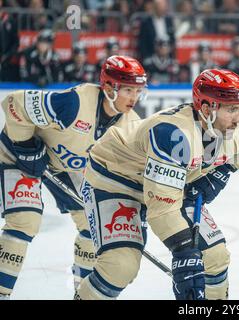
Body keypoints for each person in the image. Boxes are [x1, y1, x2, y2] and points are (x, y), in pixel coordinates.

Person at [75, 69, 239, 300]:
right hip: (116, 182)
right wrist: (184, 252)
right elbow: (163, 209)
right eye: (230, 109)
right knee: (119, 266)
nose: (238, 118)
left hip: (171, 185)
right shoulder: (173, 134)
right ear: (207, 109)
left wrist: (222, 173)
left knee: (215, 257)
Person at [0, 55, 147, 299]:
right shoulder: (75, 102)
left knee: (93, 226)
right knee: (25, 219)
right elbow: (14, 103)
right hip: (18, 153)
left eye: (138, 91)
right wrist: (25, 146)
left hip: (66, 167)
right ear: (109, 87)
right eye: (128, 90)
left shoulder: (130, 127)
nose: (134, 98)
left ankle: (82, 292)